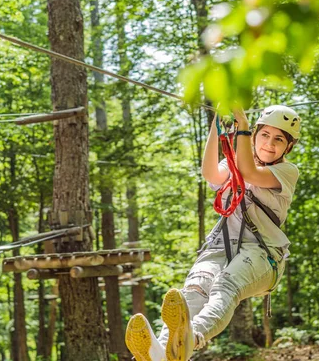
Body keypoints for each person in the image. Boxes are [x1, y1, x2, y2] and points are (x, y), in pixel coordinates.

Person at [125, 105, 301, 361]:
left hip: (263, 254)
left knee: (225, 285)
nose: (270, 144)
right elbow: (210, 173)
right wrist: (216, 125)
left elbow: (249, 172)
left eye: (278, 139)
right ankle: (160, 353)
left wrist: (242, 125)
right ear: (255, 136)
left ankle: (192, 336)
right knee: (193, 292)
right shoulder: (232, 164)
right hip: (221, 247)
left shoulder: (286, 172)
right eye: (265, 135)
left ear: (288, 147)